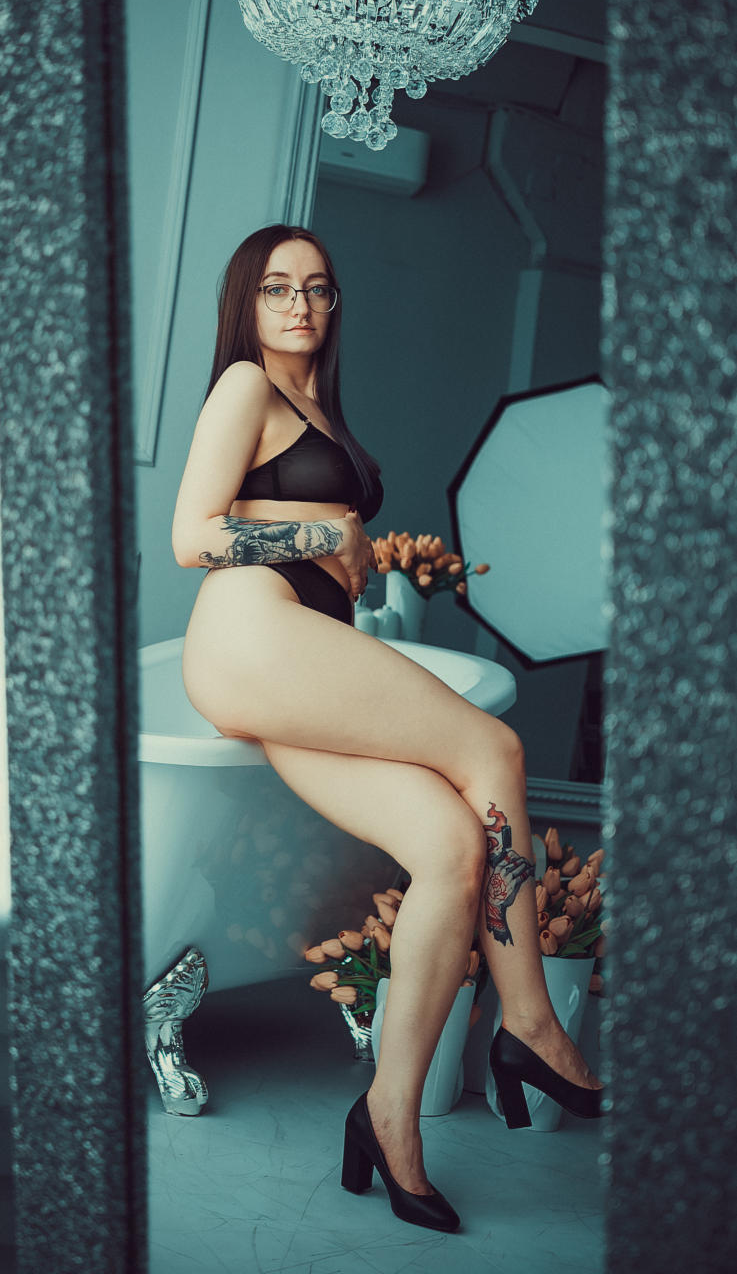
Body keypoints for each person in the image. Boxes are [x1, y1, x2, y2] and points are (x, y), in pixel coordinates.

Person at [171, 223, 603, 1234]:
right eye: (277, 288)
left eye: (318, 288)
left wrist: (341, 550)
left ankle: (387, 1119)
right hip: (252, 635)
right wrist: (328, 528)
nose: (300, 305)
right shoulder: (245, 385)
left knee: (450, 846)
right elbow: (192, 535)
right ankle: (529, 1023)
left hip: (292, 657)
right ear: (247, 303)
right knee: (493, 748)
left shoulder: (315, 404)